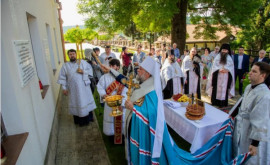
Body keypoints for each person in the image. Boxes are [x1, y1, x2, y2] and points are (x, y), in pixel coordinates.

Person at [233, 62, 270, 165]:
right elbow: (242, 103)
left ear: (263, 75)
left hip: (252, 134)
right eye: (251, 70)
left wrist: (255, 143)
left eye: (254, 71)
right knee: (239, 150)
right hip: (242, 125)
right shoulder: (249, 87)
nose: (250, 73)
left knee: (250, 158)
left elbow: (261, 120)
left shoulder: (265, 95)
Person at [57, 49, 96, 126]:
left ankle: (89, 118)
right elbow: (62, 78)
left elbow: (90, 71)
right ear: (68, 55)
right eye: (70, 54)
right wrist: (64, 88)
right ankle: (79, 121)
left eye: (73, 54)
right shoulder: (65, 65)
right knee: (76, 103)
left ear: (76, 54)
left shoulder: (82, 63)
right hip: (73, 89)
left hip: (84, 88)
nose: (72, 55)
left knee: (86, 102)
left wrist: (83, 72)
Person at [97, 59, 128, 143]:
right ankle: (111, 136)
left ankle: (122, 136)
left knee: (121, 121)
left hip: (120, 103)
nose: (111, 68)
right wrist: (103, 94)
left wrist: (122, 101)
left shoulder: (122, 78)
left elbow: (127, 91)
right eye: (110, 66)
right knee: (110, 120)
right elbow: (99, 87)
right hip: (109, 103)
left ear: (118, 67)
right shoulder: (104, 77)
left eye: (113, 66)